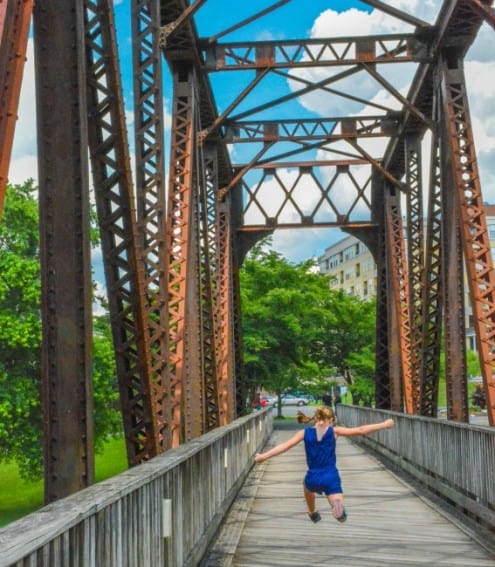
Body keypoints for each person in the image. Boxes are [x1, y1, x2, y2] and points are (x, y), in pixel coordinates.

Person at [254, 406, 394, 523]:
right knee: (335, 497)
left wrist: (263, 457)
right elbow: (360, 430)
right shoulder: (334, 431)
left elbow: (284, 446)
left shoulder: (304, 433)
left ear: (315, 419)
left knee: (307, 486)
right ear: (331, 420)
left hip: (313, 475)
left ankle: (312, 511)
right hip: (330, 475)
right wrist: (384, 424)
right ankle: (337, 506)